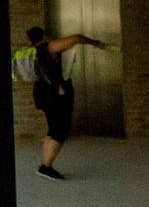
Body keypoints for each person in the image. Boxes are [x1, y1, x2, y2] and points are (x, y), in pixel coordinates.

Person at [28, 25, 106, 180]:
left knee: (53, 129)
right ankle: (46, 167)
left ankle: (45, 164)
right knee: (60, 131)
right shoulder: (48, 46)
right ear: (44, 35)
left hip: (42, 94)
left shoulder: (34, 52)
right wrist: (94, 42)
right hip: (55, 96)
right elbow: (76, 38)